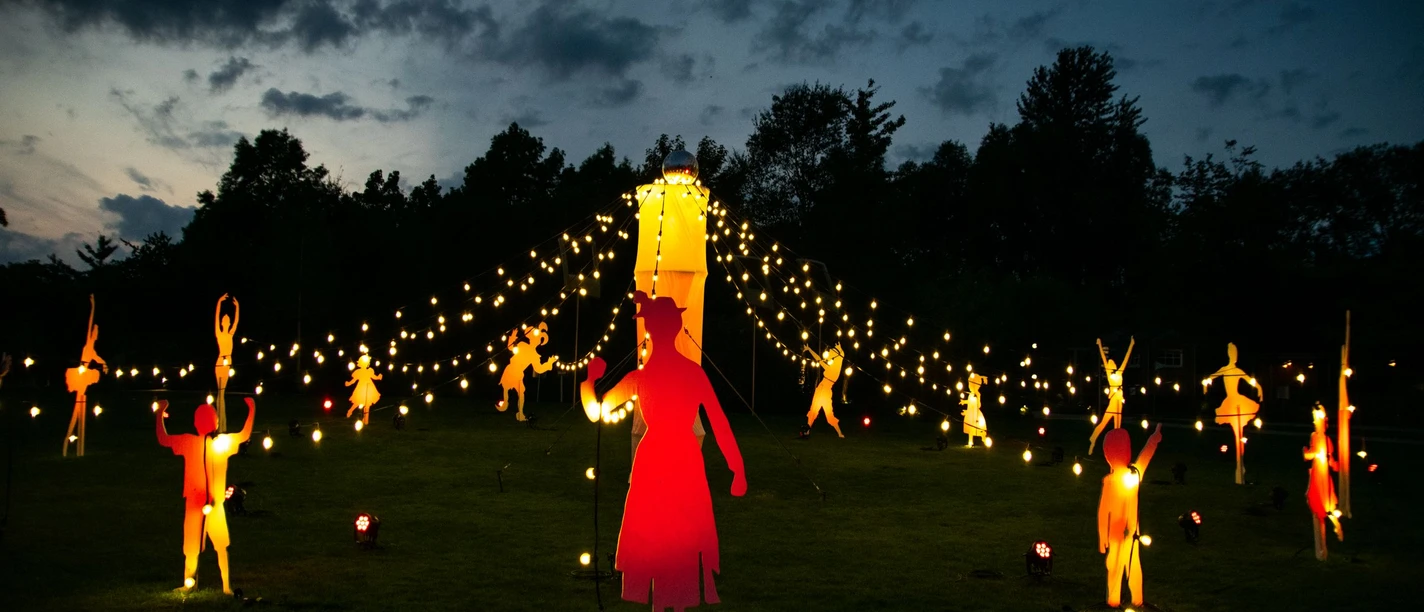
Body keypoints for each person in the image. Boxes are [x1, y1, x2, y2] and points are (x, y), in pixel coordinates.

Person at [580, 291, 746, 611]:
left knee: (665, 536)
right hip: (678, 458)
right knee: (673, 536)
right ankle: (673, 603)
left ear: (649, 331)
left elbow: (597, 411)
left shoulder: (640, 377)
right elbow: (720, 423)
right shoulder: (687, 374)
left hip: (658, 458)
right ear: (677, 327)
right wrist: (736, 468)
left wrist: (589, 381)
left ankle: (668, 602)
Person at [156, 397, 254, 594]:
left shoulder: (221, 443)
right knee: (193, 546)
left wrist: (160, 413)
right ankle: (191, 583)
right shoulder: (190, 442)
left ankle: (225, 586)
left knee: (219, 545)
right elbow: (164, 439)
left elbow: (243, 435)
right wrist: (159, 414)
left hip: (215, 504)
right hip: (195, 502)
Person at [1098, 424, 1162, 609]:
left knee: (1132, 568)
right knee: (1116, 566)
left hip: (1131, 534)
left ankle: (1135, 599)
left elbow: (1144, 459)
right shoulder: (1112, 481)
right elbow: (1104, 510)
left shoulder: (1132, 475)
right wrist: (1103, 537)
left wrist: (1153, 440)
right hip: (1117, 535)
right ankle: (1116, 599)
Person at [1203, 342, 1262, 484]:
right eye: (1232, 354)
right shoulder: (1225, 369)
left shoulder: (1238, 370)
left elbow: (1250, 380)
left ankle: (1240, 465)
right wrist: (1206, 384)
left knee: (1239, 433)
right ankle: (1239, 465)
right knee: (1237, 434)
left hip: (1238, 401)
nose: (1234, 356)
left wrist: (1259, 388)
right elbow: (1211, 377)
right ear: (1230, 355)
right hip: (1229, 402)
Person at [64, 294, 107, 457]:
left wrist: (104, 365)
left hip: (85, 377)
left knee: (79, 406)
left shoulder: (93, 349)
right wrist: (93, 305)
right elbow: (90, 322)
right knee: (77, 406)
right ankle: (69, 442)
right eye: (94, 331)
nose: (95, 333)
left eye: (97, 332)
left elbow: (98, 359)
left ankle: (73, 443)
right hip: (80, 375)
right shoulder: (87, 344)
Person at [1304, 405, 1344, 560]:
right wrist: (1308, 453)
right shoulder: (1315, 436)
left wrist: (1336, 465)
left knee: (1327, 506)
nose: (1316, 422)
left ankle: (1336, 525)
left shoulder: (1326, 440)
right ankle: (1321, 550)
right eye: (1314, 419)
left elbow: (1332, 461)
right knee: (1318, 507)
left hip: (1324, 477)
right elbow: (1311, 454)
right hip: (1317, 475)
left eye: (1318, 419)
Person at [496, 322, 557, 422]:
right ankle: (505, 403)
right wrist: (513, 336)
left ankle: (520, 413)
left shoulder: (534, 355)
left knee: (521, 393)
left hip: (518, 373)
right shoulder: (522, 345)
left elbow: (538, 369)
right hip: (511, 369)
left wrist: (549, 363)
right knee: (506, 388)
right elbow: (511, 347)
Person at [1088, 336, 1133, 456]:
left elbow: (1126, 359)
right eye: (1109, 362)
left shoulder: (1119, 372)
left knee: (1118, 427)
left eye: (1111, 362)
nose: (1110, 362)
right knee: (1104, 422)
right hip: (1114, 400)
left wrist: (1131, 345)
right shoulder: (1110, 374)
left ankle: (1117, 448)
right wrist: (1099, 345)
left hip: (1119, 400)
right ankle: (1093, 440)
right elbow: (1104, 359)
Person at [802, 343, 846, 437]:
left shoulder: (834, 369)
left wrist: (840, 349)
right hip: (821, 388)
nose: (829, 354)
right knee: (814, 409)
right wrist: (809, 349)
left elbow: (841, 356)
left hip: (825, 390)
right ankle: (807, 430)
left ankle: (839, 433)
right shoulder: (830, 367)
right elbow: (818, 358)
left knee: (828, 413)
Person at [214, 294, 239, 431]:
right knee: (220, 393)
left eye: (227, 320)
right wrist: (219, 302)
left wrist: (237, 307)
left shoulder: (230, 335)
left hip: (227, 363)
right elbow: (216, 317)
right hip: (219, 362)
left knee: (222, 394)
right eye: (224, 320)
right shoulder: (219, 334)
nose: (225, 321)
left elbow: (237, 321)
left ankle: (223, 424)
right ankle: (220, 424)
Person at [345, 354, 383, 424]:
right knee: (358, 401)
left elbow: (374, 377)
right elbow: (354, 380)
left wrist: (378, 377)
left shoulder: (369, 371)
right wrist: (349, 383)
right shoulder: (358, 372)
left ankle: (365, 420)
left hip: (369, 388)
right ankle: (350, 411)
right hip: (361, 388)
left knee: (367, 403)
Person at [961, 374, 988, 447]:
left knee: (980, 428)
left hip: (976, 414)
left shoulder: (977, 394)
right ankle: (970, 442)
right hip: (971, 414)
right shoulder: (971, 394)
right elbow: (970, 401)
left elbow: (979, 405)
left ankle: (984, 439)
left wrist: (977, 399)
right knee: (970, 429)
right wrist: (964, 402)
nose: (970, 386)